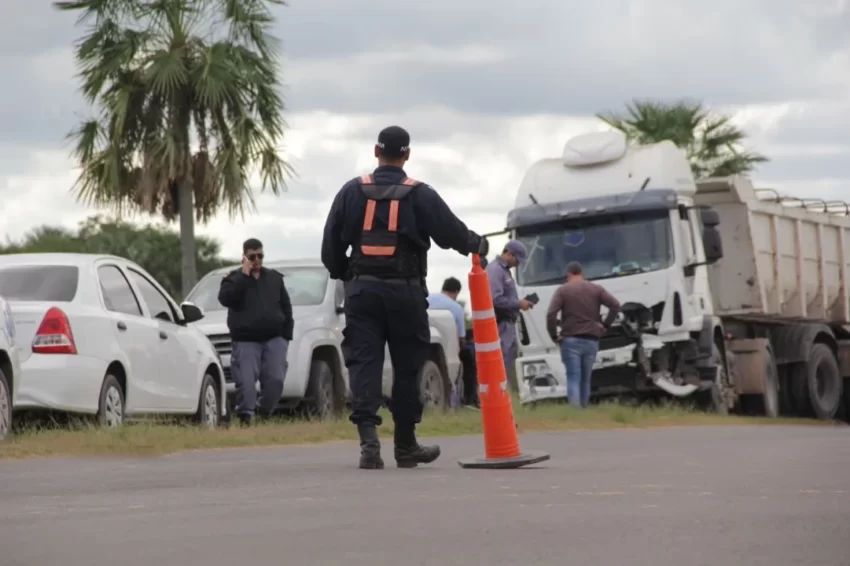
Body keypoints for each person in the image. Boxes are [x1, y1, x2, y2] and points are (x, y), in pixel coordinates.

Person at [320, 125, 488, 470]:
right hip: (405, 292)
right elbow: (451, 232)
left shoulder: (352, 191)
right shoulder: (420, 194)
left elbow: (330, 248)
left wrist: (347, 275)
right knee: (408, 364)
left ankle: (369, 445)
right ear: (407, 154)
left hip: (363, 292)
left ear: (375, 151)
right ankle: (405, 444)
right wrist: (477, 244)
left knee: (364, 362)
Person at [218, 238, 293, 426]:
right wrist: (244, 276)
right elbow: (226, 299)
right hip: (246, 341)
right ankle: (245, 416)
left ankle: (264, 411)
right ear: (244, 257)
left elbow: (286, 306)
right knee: (246, 383)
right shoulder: (233, 279)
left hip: (275, 338)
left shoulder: (274, 278)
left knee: (276, 379)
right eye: (253, 256)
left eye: (260, 255)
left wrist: (286, 336)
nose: (257, 260)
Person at [546, 261, 621, 408]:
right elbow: (615, 305)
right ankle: (584, 410)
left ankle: (575, 413)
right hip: (591, 340)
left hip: (570, 340)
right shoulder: (596, 289)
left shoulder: (562, 290)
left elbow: (551, 314)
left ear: (568, 275)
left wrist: (554, 336)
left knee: (573, 377)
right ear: (581, 274)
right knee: (586, 379)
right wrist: (605, 325)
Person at [486, 240, 533, 380]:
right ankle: (500, 395)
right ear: (509, 254)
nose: (518, 263)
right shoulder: (495, 270)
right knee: (502, 364)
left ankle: (506, 395)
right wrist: (519, 304)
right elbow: (495, 299)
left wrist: (519, 304)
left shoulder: (504, 271)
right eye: (517, 259)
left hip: (508, 324)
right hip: (501, 324)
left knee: (508, 364)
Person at [427, 277, 476, 407]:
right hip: (449, 349)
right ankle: (469, 399)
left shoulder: (427, 299)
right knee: (469, 356)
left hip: (422, 344)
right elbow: (461, 338)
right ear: (456, 292)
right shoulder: (455, 307)